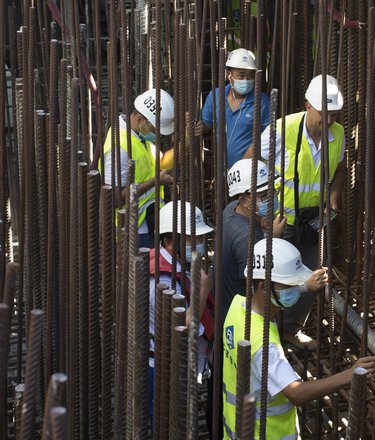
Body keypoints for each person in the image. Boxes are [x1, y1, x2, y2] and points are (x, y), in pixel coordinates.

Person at [222, 238, 375, 439]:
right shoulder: (263, 344)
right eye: (290, 285)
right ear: (264, 285)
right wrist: (349, 375)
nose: (294, 289)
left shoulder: (238, 307)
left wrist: (304, 287)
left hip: (235, 429)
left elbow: (276, 297)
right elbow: (296, 392)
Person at [244, 74, 346, 347]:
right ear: (308, 106)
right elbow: (248, 163)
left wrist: (334, 195)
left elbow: (339, 170)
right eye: (324, 114)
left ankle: (290, 329)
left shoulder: (338, 134)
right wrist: (258, 210)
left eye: (334, 115)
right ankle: (265, 331)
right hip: (281, 222)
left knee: (313, 276)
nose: (329, 121)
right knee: (274, 279)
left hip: (314, 221)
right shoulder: (282, 130)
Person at [221, 159, 328, 337]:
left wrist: (261, 222)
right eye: (264, 195)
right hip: (244, 319)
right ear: (244, 200)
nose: (271, 198)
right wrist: (306, 286)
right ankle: (287, 334)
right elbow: (262, 291)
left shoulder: (231, 209)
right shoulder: (248, 239)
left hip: (228, 303)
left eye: (272, 191)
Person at [147, 200, 215, 418]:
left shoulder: (172, 262)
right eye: (191, 239)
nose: (199, 244)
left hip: (180, 362)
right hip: (167, 367)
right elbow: (182, 325)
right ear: (168, 241)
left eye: (200, 238)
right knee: (168, 421)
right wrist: (202, 289)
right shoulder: (162, 280)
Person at [102, 88, 176, 248]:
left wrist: (187, 138)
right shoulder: (119, 148)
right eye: (156, 129)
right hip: (130, 230)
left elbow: (163, 162)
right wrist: (156, 181)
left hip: (146, 225)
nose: (158, 134)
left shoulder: (139, 138)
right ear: (140, 119)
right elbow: (113, 199)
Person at [196, 48, 270, 169]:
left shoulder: (262, 102)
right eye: (241, 76)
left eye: (250, 76)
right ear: (228, 75)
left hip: (251, 170)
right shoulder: (215, 96)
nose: (246, 80)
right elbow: (206, 124)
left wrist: (250, 156)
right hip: (222, 169)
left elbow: (269, 135)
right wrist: (198, 127)